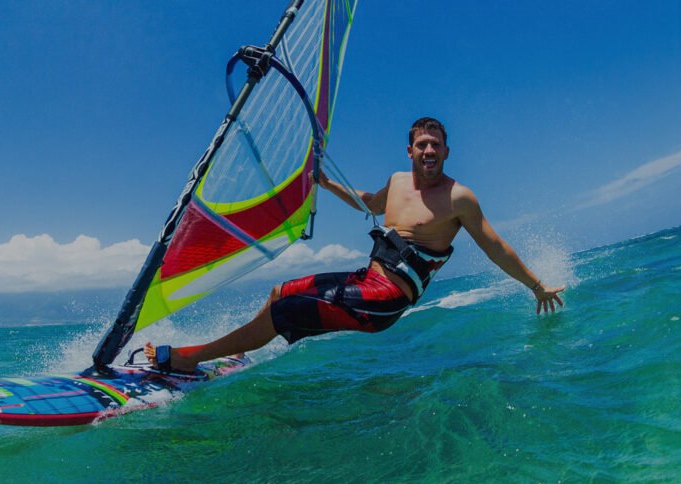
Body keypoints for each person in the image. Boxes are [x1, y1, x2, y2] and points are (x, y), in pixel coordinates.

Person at [145, 117, 565, 372]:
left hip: (385, 301)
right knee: (279, 293)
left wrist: (535, 284)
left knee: (283, 311)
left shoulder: (459, 198)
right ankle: (237, 346)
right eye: (422, 144)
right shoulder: (399, 182)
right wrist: (324, 183)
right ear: (410, 151)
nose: (429, 149)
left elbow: (495, 247)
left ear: (447, 151)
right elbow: (367, 203)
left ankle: (190, 357)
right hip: (365, 279)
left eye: (436, 144)